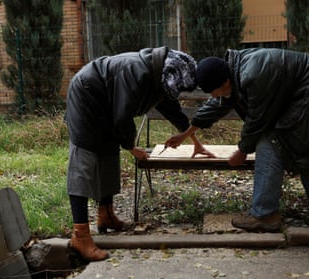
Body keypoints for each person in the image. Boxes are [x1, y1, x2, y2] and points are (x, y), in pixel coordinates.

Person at [164, 48, 309, 232]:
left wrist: (242, 150)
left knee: (271, 141)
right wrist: (185, 134)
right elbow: (217, 106)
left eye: (212, 91)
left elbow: (258, 120)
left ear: (223, 82)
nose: (212, 95)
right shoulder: (235, 72)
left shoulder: (252, 75)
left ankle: (264, 214)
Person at [65, 46, 214, 261]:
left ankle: (106, 215)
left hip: (106, 102)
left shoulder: (160, 74)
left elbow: (172, 109)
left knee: (108, 152)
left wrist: (194, 141)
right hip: (86, 97)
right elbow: (122, 119)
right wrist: (131, 147)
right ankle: (80, 236)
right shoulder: (137, 74)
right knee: (85, 159)